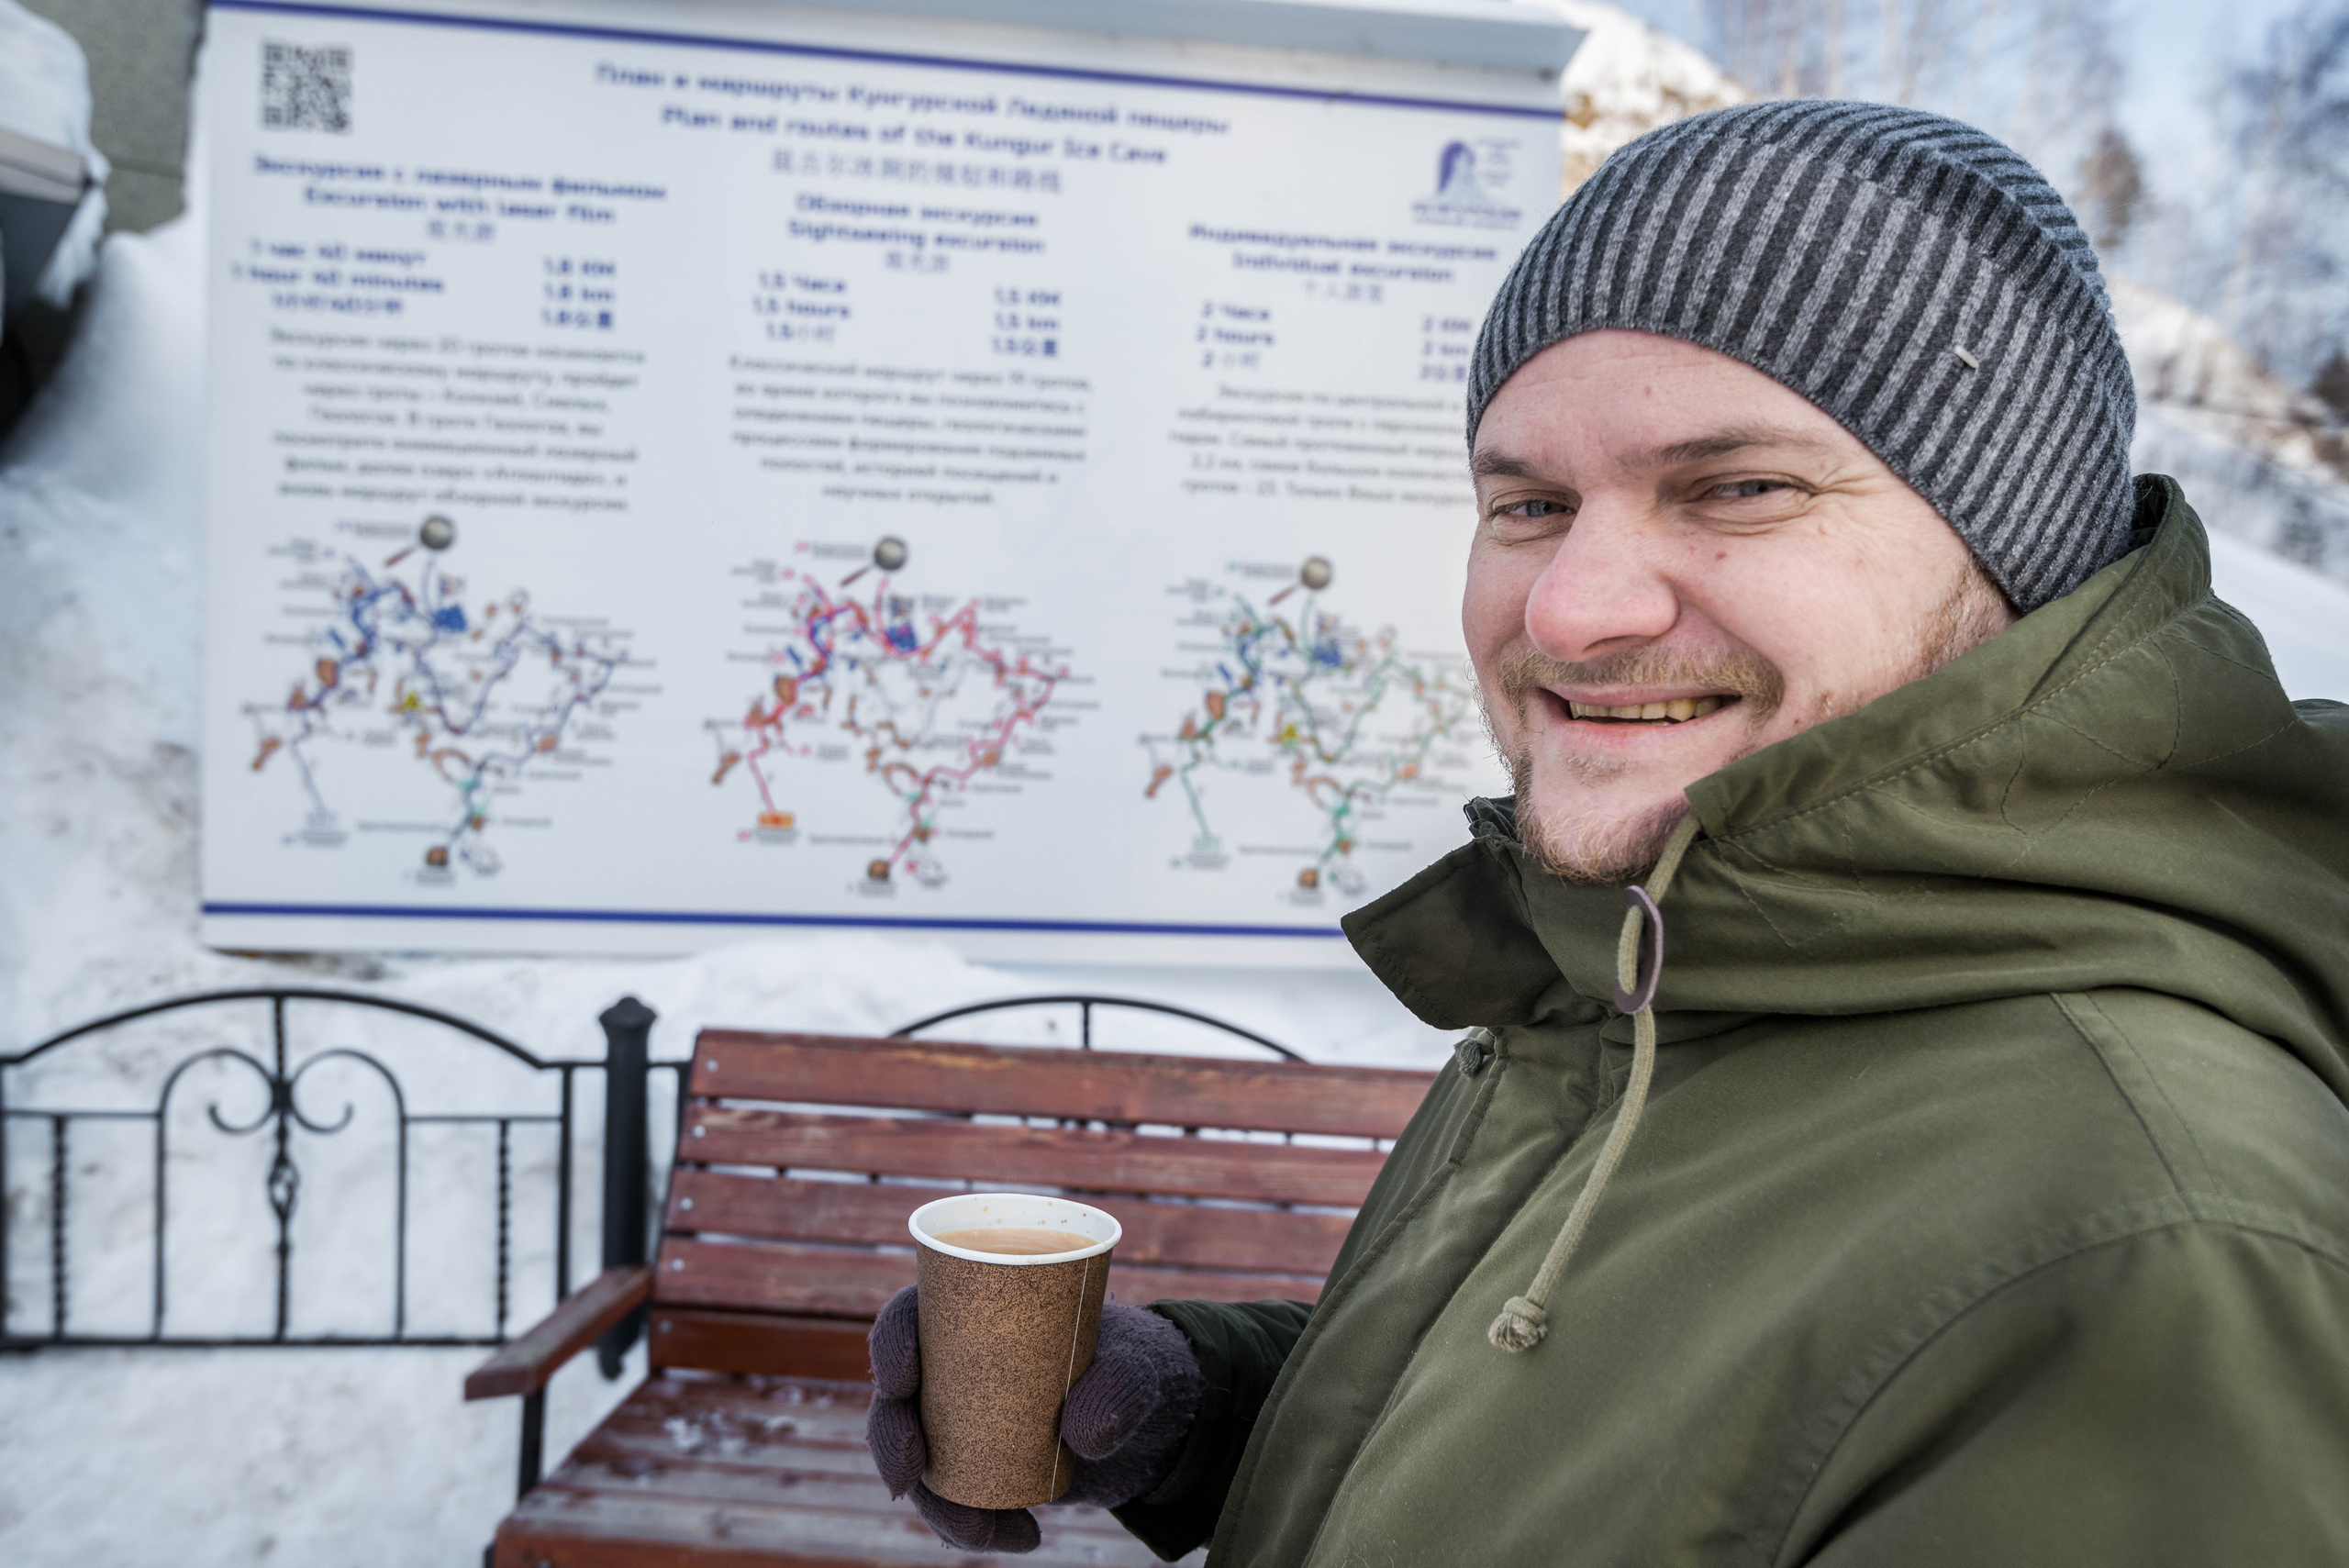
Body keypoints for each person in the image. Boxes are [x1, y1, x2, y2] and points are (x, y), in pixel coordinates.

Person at [865, 101, 2349, 1564]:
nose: (1572, 606)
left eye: (1741, 487)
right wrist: (1211, 1413)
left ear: (2021, 550)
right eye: (1529, 502)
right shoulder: (1661, 963)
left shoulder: (2147, 1243)